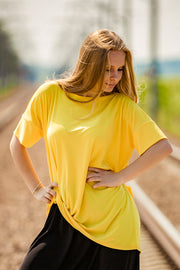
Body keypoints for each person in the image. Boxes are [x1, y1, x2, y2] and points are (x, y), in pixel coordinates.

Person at [10, 29, 172, 270]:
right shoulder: (51, 94)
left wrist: (119, 177)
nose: (114, 77)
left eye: (120, 69)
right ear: (89, 64)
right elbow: (18, 143)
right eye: (108, 69)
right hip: (64, 216)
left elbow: (163, 147)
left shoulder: (122, 106)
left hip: (114, 225)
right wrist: (36, 188)